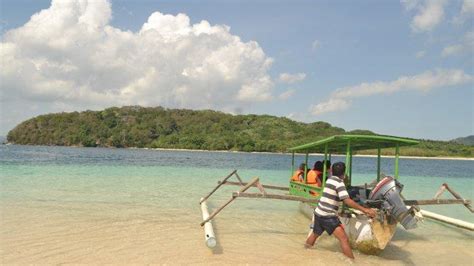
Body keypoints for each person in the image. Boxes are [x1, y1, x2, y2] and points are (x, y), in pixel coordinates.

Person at [305, 162, 376, 259]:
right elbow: (347, 201)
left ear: (332, 171)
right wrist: (365, 210)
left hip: (319, 212)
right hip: (328, 216)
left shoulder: (329, 180)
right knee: (344, 240)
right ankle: (352, 262)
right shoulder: (339, 183)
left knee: (315, 234)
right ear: (344, 173)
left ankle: (304, 252)